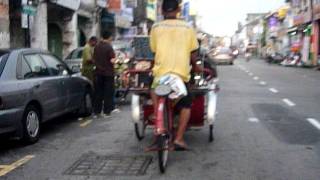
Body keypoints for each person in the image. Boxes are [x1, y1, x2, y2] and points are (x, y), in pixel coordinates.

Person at [149, 0, 203, 150]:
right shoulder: (187, 27)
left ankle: (156, 113)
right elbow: (193, 53)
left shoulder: (156, 27)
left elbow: (154, 51)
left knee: (152, 87)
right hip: (180, 75)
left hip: (161, 74)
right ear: (179, 9)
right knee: (186, 105)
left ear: (161, 11)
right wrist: (197, 66)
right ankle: (178, 139)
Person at [93, 31, 116, 117]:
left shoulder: (97, 46)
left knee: (98, 92)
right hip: (108, 73)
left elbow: (94, 59)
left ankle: (97, 112)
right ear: (109, 37)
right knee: (108, 92)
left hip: (98, 72)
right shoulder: (109, 47)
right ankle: (107, 111)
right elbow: (112, 60)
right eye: (111, 37)